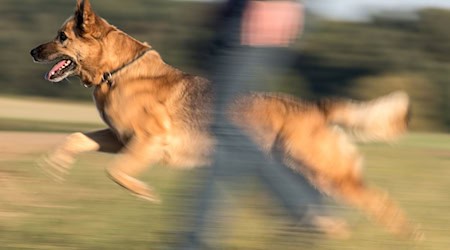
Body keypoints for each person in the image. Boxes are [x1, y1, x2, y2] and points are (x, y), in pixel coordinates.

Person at [184, 0, 348, 248]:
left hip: (256, 18)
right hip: (240, 17)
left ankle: (303, 202)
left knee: (225, 126)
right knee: (223, 133)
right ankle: (194, 240)